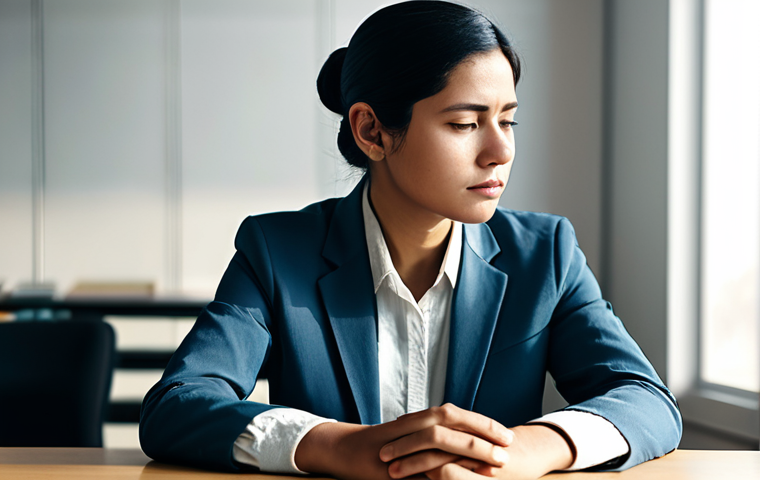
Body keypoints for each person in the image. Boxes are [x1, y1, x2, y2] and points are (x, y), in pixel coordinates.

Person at [139, 2, 682, 478]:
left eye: (508, 121)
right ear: (372, 130)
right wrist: (337, 447)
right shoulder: (278, 250)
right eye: (465, 124)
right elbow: (177, 407)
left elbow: (647, 402)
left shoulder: (545, 254)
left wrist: (526, 450)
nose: (500, 151)